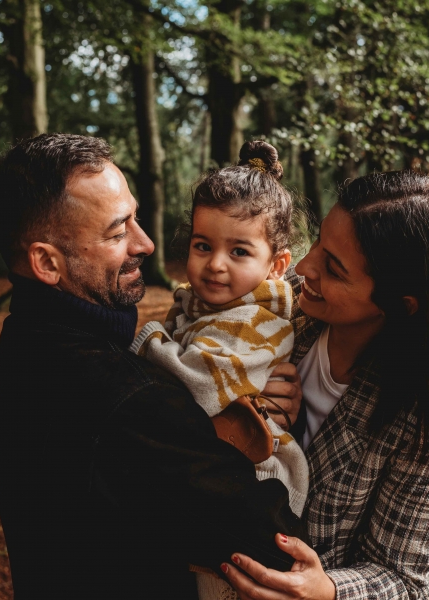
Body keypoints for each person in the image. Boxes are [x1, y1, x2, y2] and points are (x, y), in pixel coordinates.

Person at [0, 133, 307, 598]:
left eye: (135, 219)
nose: (148, 243)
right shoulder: (126, 397)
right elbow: (275, 544)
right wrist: (257, 423)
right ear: (46, 263)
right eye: (118, 233)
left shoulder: (26, 342)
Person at [221, 170, 429, 599]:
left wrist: (327, 591)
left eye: (334, 267)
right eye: (319, 244)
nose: (305, 266)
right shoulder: (278, 305)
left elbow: (402, 576)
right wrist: (240, 398)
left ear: (400, 305)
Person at [131, 141, 310, 600]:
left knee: (225, 585)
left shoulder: (254, 318)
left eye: (239, 252)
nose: (214, 264)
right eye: (202, 245)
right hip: (216, 468)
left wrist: (146, 341)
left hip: (255, 481)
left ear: (277, 265)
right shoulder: (205, 303)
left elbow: (198, 381)